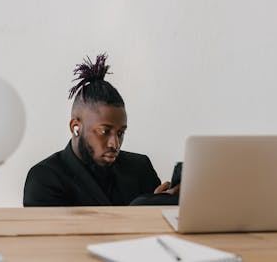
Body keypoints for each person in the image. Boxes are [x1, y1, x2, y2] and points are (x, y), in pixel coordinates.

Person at [23, 53, 178, 206]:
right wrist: (141, 210)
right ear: (75, 127)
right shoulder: (44, 178)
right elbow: (68, 231)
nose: (115, 144)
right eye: (104, 131)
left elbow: (160, 230)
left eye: (120, 133)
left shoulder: (140, 168)